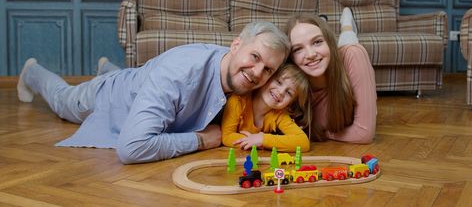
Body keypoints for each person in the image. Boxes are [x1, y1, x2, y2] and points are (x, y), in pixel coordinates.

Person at [17, 21, 291, 164]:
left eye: (268, 69)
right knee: (64, 100)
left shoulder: (244, 78)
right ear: (235, 45)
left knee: (137, 79)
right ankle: (32, 72)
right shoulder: (180, 75)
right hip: (111, 98)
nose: (257, 73)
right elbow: (132, 148)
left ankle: (108, 69)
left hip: (143, 81)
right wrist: (200, 141)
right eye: (254, 57)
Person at [286, 9, 377, 144]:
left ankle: (346, 24)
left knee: (349, 42)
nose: (310, 54)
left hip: (342, 59)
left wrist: (322, 134)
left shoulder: (353, 55)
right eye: (298, 49)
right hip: (328, 58)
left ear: (329, 42)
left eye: (317, 42)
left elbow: (364, 134)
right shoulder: (290, 85)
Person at [221, 63, 311, 153]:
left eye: (289, 93)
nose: (280, 92)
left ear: (290, 103)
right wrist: (252, 141)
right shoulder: (237, 101)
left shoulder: (279, 114)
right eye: (279, 82)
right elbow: (227, 136)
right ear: (266, 78)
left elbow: (303, 142)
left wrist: (262, 140)